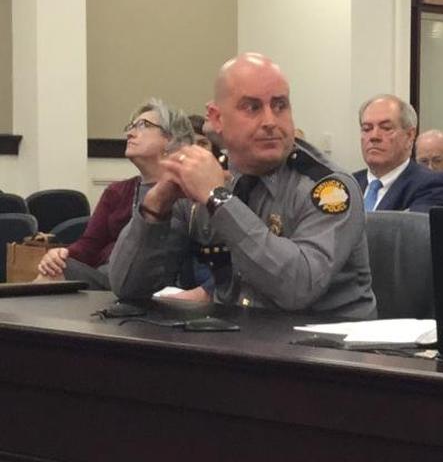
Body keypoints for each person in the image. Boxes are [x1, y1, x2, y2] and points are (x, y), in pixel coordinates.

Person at [108, 53, 376, 319]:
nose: (270, 121)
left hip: (321, 352)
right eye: (252, 107)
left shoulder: (328, 189)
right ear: (216, 118)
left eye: (280, 105)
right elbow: (129, 288)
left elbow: (298, 287)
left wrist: (219, 200)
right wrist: (156, 206)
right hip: (236, 344)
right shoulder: (212, 174)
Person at [37, 99, 194, 290]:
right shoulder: (117, 192)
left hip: (156, 289)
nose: (130, 133)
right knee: (56, 268)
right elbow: (89, 246)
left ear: (170, 139)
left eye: (144, 125)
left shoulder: (186, 193)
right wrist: (60, 254)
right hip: (106, 281)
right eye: (131, 126)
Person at [353, 94, 443, 212]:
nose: (374, 136)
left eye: (386, 128)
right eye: (367, 129)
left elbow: (414, 229)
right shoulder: (346, 185)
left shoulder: (434, 185)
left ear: (409, 136)